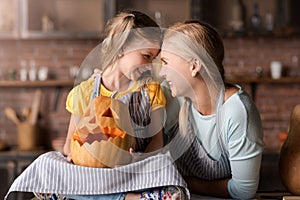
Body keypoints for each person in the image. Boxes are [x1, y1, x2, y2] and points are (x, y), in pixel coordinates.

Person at [5, 11, 188, 200]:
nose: (150, 65)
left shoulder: (150, 90)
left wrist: (138, 159)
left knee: (166, 170)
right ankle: (127, 198)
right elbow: (70, 144)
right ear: (122, 47)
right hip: (93, 173)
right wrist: (77, 157)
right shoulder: (83, 93)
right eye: (146, 56)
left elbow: (156, 141)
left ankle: (96, 195)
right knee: (47, 162)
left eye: (154, 59)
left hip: (133, 172)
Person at [157, 20, 264, 199]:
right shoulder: (170, 96)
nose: (162, 73)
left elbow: (243, 191)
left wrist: (182, 181)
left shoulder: (237, 112)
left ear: (194, 66)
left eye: (166, 62)